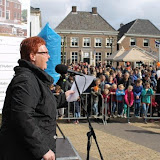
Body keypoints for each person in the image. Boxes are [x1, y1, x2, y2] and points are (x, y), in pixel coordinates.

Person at [0, 36, 74, 160]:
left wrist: (64, 98)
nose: (48, 57)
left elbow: (43, 103)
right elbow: (22, 117)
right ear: (32, 56)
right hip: (23, 153)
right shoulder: (26, 80)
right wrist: (42, 149)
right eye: (44, 53)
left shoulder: (34, 78)